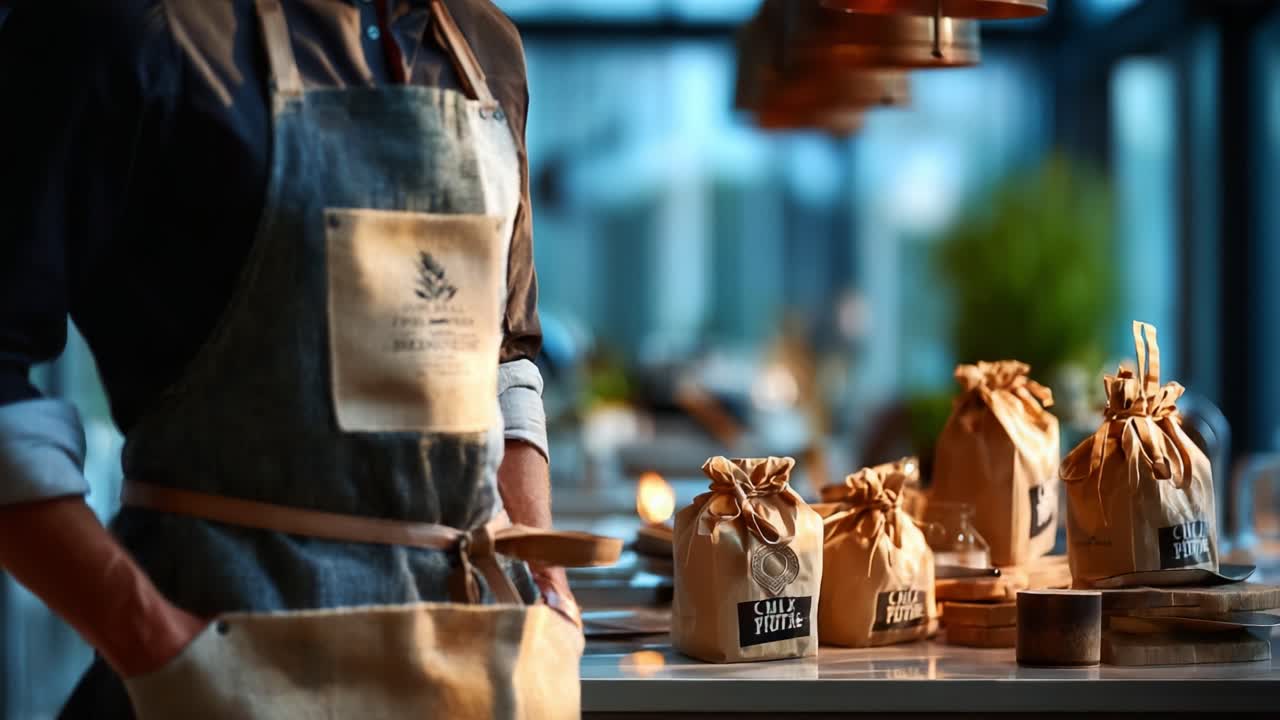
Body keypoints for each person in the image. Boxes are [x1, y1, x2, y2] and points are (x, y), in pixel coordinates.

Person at [0, 1, 605, 716]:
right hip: (226, 678)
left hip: (475, 677)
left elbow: (503, 354)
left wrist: (548, 595)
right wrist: (161, 649)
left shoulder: (484, 43)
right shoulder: (128, 25)